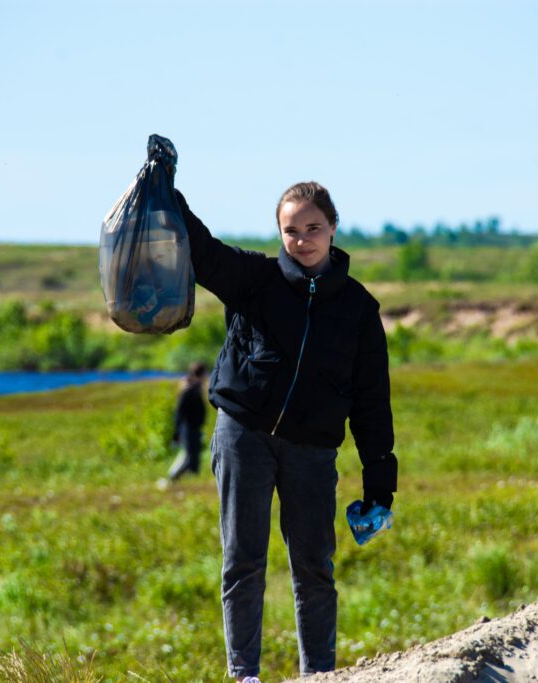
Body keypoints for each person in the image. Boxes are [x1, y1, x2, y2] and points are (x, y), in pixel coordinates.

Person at [174, 181, 398, 682]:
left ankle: (318, 676)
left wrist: (380, 484)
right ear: (279, 232)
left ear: (333, 228)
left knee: (315, 568)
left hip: (313, 450)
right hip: (243, 436)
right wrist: (168, 189)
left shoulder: (360, 309)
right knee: (243, 561)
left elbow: (371, 403)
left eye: (312, 227)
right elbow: (202, 251)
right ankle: (244, 675)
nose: (302, 239)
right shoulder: (255, 277)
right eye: (291, 230)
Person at [164, 361, 209, 483]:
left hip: (194, 427)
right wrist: (177, 431)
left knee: (192, 455)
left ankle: (181, 479)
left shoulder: (196, 388)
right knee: (188, 456)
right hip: (187, 427)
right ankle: (172, 478)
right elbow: (179, 412)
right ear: (201, 374)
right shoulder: (189, 389)